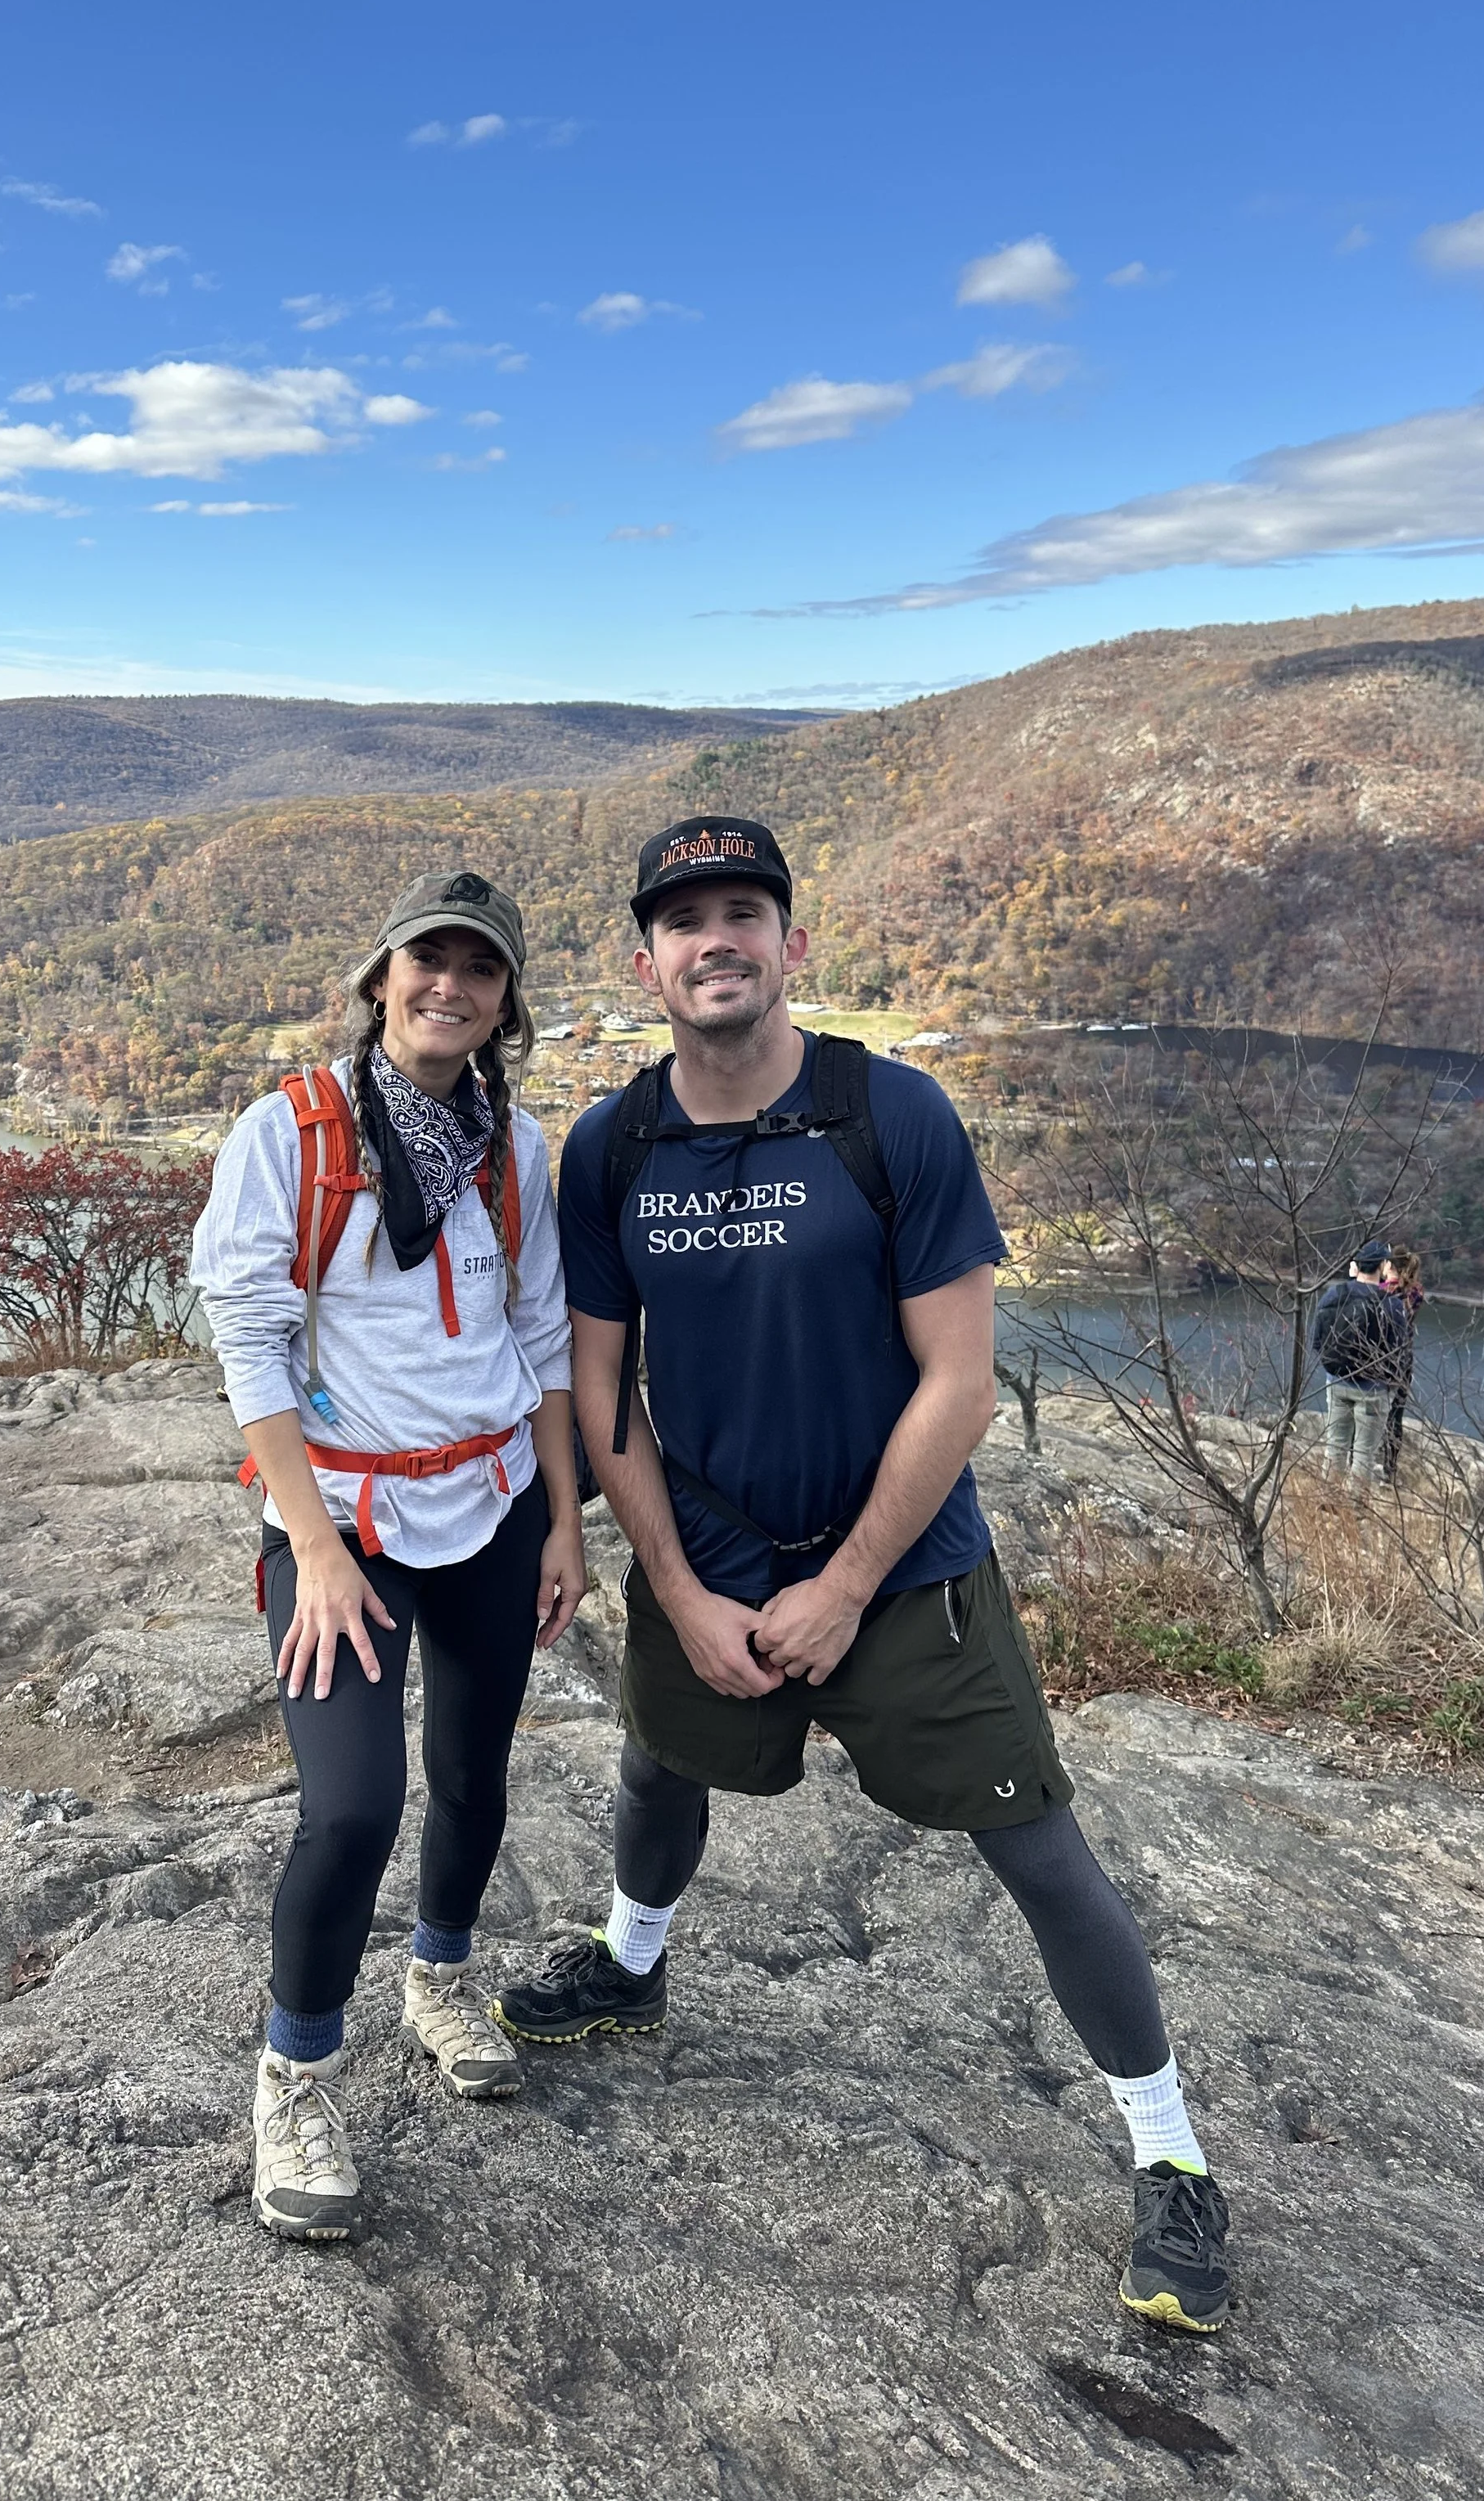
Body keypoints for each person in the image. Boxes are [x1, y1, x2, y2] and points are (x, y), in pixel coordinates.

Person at [493, 816, 1233, 2334]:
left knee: (1036, 1844)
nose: (717, 939)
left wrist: (845, 1582)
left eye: (744, 912)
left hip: (903, 1575)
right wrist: (684, 1593)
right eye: (685, 918)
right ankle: (632, 1962)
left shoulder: (889, 1114)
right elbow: (599, 1390)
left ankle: (1171, 2150)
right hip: (707, 1551)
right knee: (656, 1764)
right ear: (646, 960)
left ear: (792, 944)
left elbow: (958, 1382)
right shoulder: (614, 1144)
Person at [191, 870, 587, 2241]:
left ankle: (439, 1977)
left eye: (482, 968)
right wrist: (311, 1542)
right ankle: (294, 2075)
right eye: (429, 958)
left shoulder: (515, 1149)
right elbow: (247, 1334)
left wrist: (567, 1520)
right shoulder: (291, 1132)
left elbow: (541, 1339)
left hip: (492, 1501)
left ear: (503, 1001)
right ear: (381, 975)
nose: (451, 986)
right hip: (342, 1522)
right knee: (353, 1804)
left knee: (474, 1774)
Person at [1311, 1242, 1405, 1491]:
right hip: (1373, 1389)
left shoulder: (1335, 1294)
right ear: (1383, 1266)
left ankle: (1327, 1501)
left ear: (1357, 1265)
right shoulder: (1392, 1305)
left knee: (1335, 1447)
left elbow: (1318, 1339)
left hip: (1338, 1380)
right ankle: (1355, 1510)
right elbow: (1399, 1351)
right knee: (1364, 1453)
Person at [1379, 1247, 1424, 1482]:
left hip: (1382, 1359)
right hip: (1404, 1360)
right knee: (1396, 1415)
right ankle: (1390, 1468)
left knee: (1372, 1410)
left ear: (1391, 1265)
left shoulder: (1385, 1292)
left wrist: (1386, 1279)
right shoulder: (1416, 1292)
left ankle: (1369, 1460)